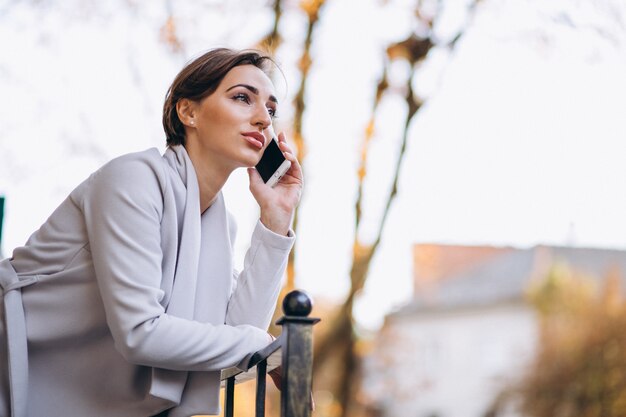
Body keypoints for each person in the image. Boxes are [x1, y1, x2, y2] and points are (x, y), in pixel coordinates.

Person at [0, 48, 302, 417]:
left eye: (271, 110)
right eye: (242, 98)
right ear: (188, 111)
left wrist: (276, 217)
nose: (262, 120)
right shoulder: (133, 180)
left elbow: (234, 337)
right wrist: (261, 343)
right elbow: (140, 331)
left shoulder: (219, 226)